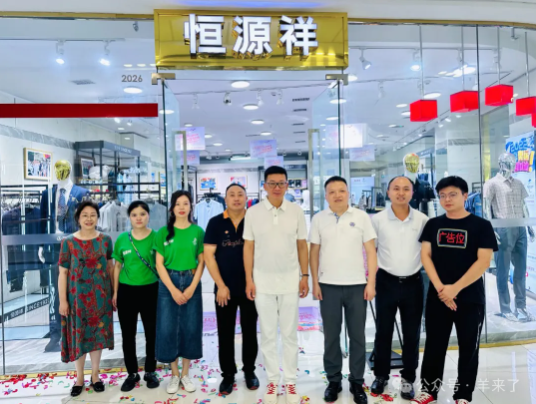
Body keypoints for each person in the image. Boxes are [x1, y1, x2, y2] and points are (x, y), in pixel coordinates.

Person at [411, 176, 498, 404]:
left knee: (469, 347)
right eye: (442, 196)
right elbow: (425, 256)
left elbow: (483, 261)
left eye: (452, 194)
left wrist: (455, 289)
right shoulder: (433, 225)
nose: (447, 199)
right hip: (438, 297)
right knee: (434, 345)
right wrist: (442, 289)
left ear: (465, 195)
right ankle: (429, 390)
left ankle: (463, 395)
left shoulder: (481, 226)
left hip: (470, 298)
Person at [244, 165, 309, 404]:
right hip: (263, 283)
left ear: (287, 185)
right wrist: (249, 279)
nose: (277, 187)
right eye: (272, 183)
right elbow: (248, 247)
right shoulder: (253, 213)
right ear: (264, 186)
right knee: (268, 335)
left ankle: (290, 381)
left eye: (281, 183)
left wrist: (305, 275)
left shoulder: (296, 211)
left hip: (290, 281)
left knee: (290, 335)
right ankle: (273, 381)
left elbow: (302, 244)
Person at [310, 176, 377, 404]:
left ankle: (357, 382)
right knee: (331, 336)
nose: (337, 195)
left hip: (357, 285)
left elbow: (371, 252)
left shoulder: (361, 217)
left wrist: (371, 282)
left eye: (341, 191)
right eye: (332, 192)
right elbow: (314, 253)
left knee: (357, 336)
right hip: (328, 285)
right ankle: (334, 380)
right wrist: (315, 282)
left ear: (348, 193)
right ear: (326, 196)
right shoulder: (319, 219)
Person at [370, 176, 429, 400]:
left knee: (412, 333)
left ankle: (408, 379)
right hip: (386, 281)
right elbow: (371, 253)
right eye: (396, 188)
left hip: (413, 282)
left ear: (412, 193)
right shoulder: (378, 220)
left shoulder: (422, 220)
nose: (401, 193)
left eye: (406, 189)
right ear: (388, 192)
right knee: (383, 331)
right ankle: (381, 375)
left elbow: (428, 253)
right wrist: (370, 282)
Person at [204, 184, 260, 396]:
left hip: (250, 287)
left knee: (250, 331)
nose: (236, 198)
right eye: (232, 195)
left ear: (246, 198)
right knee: (225, 333)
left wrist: (254, 281)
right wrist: (220, 285)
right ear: (225, 199)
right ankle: (228, 375)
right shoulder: (215, 222)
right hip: (224, 289)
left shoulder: (254, 221)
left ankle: (249, 371)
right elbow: (209, 256)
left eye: (240, 194)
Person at [58, 200, 114, 397]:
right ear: (78, 218)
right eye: (85, 215)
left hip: (101, 297)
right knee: (78, 337)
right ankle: (79, 378)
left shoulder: (105, 240)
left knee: (97, 336)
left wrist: (115, 293)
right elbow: (63, 273)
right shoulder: (68, 242)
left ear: (97, 217)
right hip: (77, 299)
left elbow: (110, 268)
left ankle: (95, 375)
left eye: (92, 215)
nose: (89, 219)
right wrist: (62, 300)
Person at [154, 190, 205, 394]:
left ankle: (185, 373)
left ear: (191, 207)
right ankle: (174, 374)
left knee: (190, 327)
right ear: (172, 208)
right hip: (169, 281)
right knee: (168, 327)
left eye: (186, 203)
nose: (182, 207)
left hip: (192, 281)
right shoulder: (162, 232)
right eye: (178, 204)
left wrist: (192, 287)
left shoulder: (198, 231)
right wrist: (173, 289)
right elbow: (159, 263)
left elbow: (202, 262)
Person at [112, 201, 160, 392]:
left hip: (151, 291)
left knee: (151, 334)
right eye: (134, 215)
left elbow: (161, 265)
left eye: (142, 214)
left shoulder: (156, 237)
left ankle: (150, 371)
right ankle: (132, 373)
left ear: (148, 216)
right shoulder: (122, 239)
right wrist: (115, 292)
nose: (138, 218)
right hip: (127, 292)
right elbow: (117, 266)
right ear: (129, 218)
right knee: (128, 335)